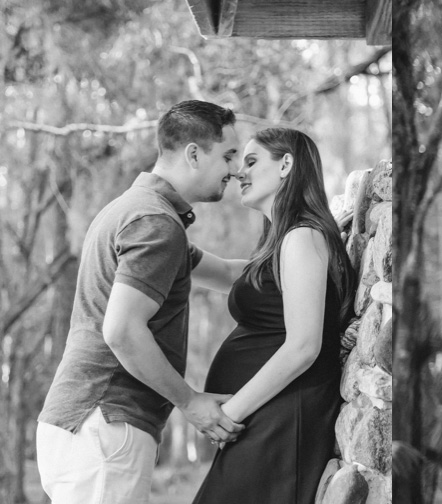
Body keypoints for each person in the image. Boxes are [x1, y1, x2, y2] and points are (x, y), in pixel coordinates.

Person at [37, 100, 244, 504]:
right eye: (229, 156)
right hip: (105, 425)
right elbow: (122, 331)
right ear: (194, 153)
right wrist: (190, 402)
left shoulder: (136, 211)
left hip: (87, 427)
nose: (235, 170)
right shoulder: (156, 223)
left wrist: (317, 238)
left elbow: (229, 275)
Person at [190, 127, 356, 504]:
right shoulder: (281, 243)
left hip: (284, 418)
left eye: (251, 161)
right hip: (266, 417)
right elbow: (235, 274)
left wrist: (230, 412)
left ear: (286, 165)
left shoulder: (301, 238)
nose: (238, 173)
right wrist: (164, 236)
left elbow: (303, 347)